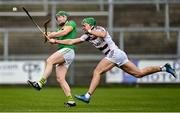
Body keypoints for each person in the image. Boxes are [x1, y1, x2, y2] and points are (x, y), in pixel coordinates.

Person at [48, 17, 177, 104]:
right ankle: (164, 68)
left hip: (114, 53)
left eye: (84, 24)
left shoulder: (99, 29)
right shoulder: (87, 36)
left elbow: (103, 35)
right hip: (117, 55)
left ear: (91, 25)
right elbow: (71, 41)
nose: (83, 26)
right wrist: (56, 41)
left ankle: (87, 96)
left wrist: (90, 30)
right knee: (139, 73)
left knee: (97, 72)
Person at [28, 11, 77, 107]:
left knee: (50, 60)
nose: (58, 19)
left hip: (68, 50)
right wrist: (48, 36)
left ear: (65, 17)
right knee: (60, 79)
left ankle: (40, 83)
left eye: (60, 17)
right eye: (57, 18)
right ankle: (71, 101)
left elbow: (65, 32)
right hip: (63, 53)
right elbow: (56, 35)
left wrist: (51, 35)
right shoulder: (59, 29)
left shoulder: (71, 23)